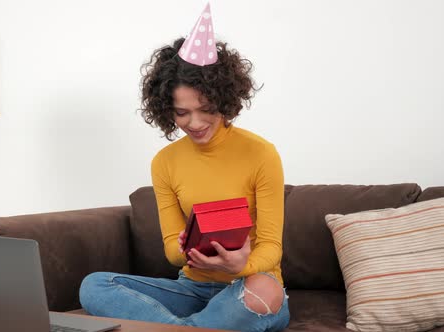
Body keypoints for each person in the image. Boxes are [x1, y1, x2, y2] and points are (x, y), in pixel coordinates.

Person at [80, 4, 289, 332]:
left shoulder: (261, 153)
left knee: (265, 288)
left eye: (205, 109)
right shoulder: (165, 162)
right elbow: (170, 250)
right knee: (94, 286)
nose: (194, 123)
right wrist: (184, 251)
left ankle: (174, 328)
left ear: (224, 99)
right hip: (192, 288)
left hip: (248, 286)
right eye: (181, 113)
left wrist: (241, 263)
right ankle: (196, 328)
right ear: (166, 109)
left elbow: (272, 246)